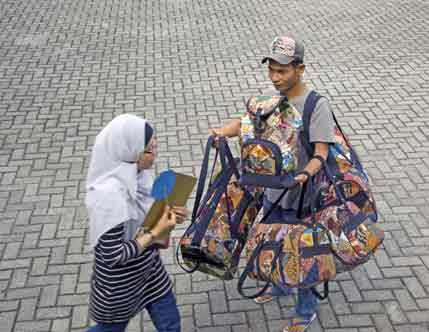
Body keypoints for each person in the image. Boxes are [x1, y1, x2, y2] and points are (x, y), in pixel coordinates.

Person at [210, 36, 337, 332]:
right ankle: (279, 286)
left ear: (300, 69)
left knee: (303, 253)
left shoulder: (316, 106)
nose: (275, 77)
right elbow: (244, 123)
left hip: (305, 196)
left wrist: (305, 174)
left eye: (282, 71)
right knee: (274, 242)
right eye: (272, 70)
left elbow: (321, 153)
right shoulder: (272, 102)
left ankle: (305, 311)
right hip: (273, 192)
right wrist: (220, 132)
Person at [85, 114, 187, 332]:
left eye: (155, 144)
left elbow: (149, 220)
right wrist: (155, 232)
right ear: (131, 153)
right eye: (149, 149)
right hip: (119, 288)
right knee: (109, 329)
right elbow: (113, 256)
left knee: (171, 323)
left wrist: (169, 218)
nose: (155, 152)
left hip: (149, 270)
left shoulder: (139, 177)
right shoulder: (109, 198)